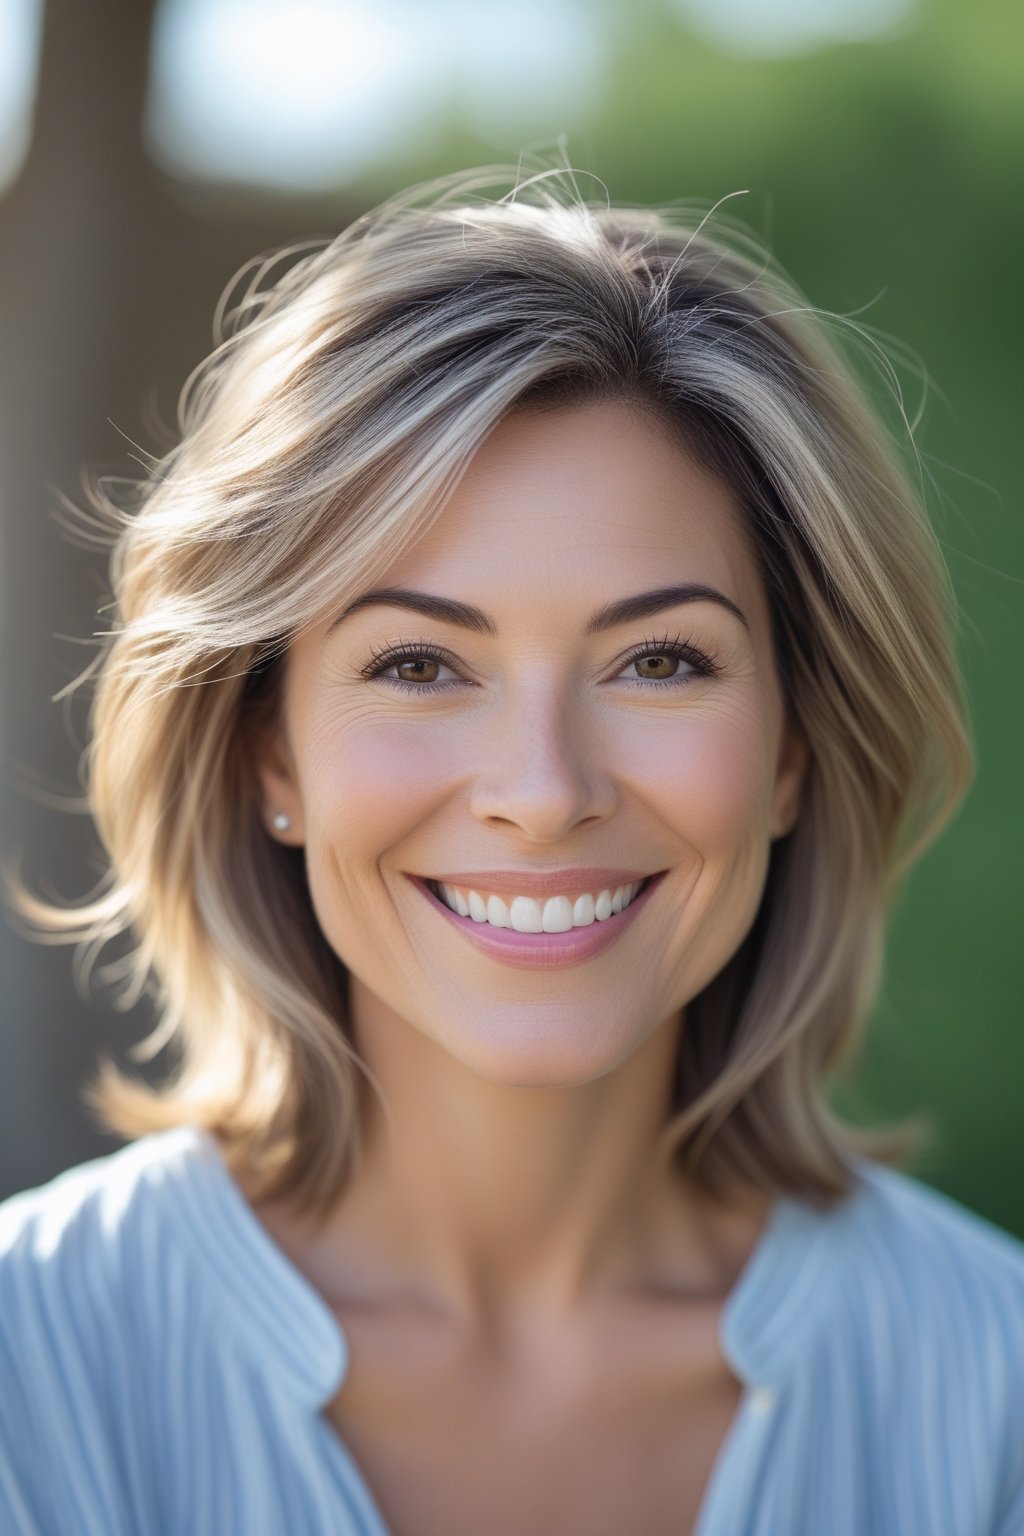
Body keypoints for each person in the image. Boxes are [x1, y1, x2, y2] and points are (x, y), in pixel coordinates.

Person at [1, 166, 1021, 1536]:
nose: (544, 794)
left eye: (661, 660)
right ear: (271, 754)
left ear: (793, 749)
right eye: (420, 664)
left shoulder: (994, 1393)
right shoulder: (32, 1368)